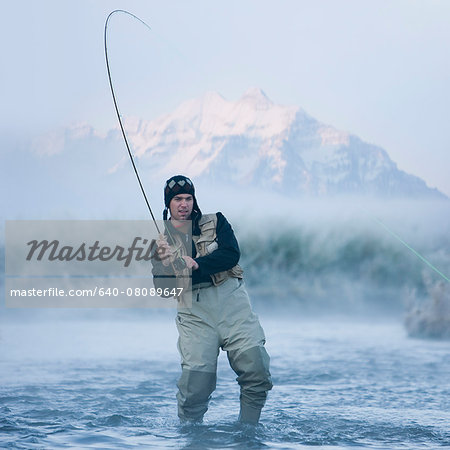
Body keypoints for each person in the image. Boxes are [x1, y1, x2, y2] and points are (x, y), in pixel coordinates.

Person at [151, 175, 272, 424]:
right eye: (177, 199)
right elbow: (163, 290)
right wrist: (168, 268)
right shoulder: (161, 243)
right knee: (197, 385)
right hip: (194, 312)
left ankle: (248, 433)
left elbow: (231, 255)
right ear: (168, 204)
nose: (183, 204)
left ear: (194, 200)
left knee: (256, 371)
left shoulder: (217, 221)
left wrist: (196, 263)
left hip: (232, 302)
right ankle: (190, 435)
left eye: (188, 198)